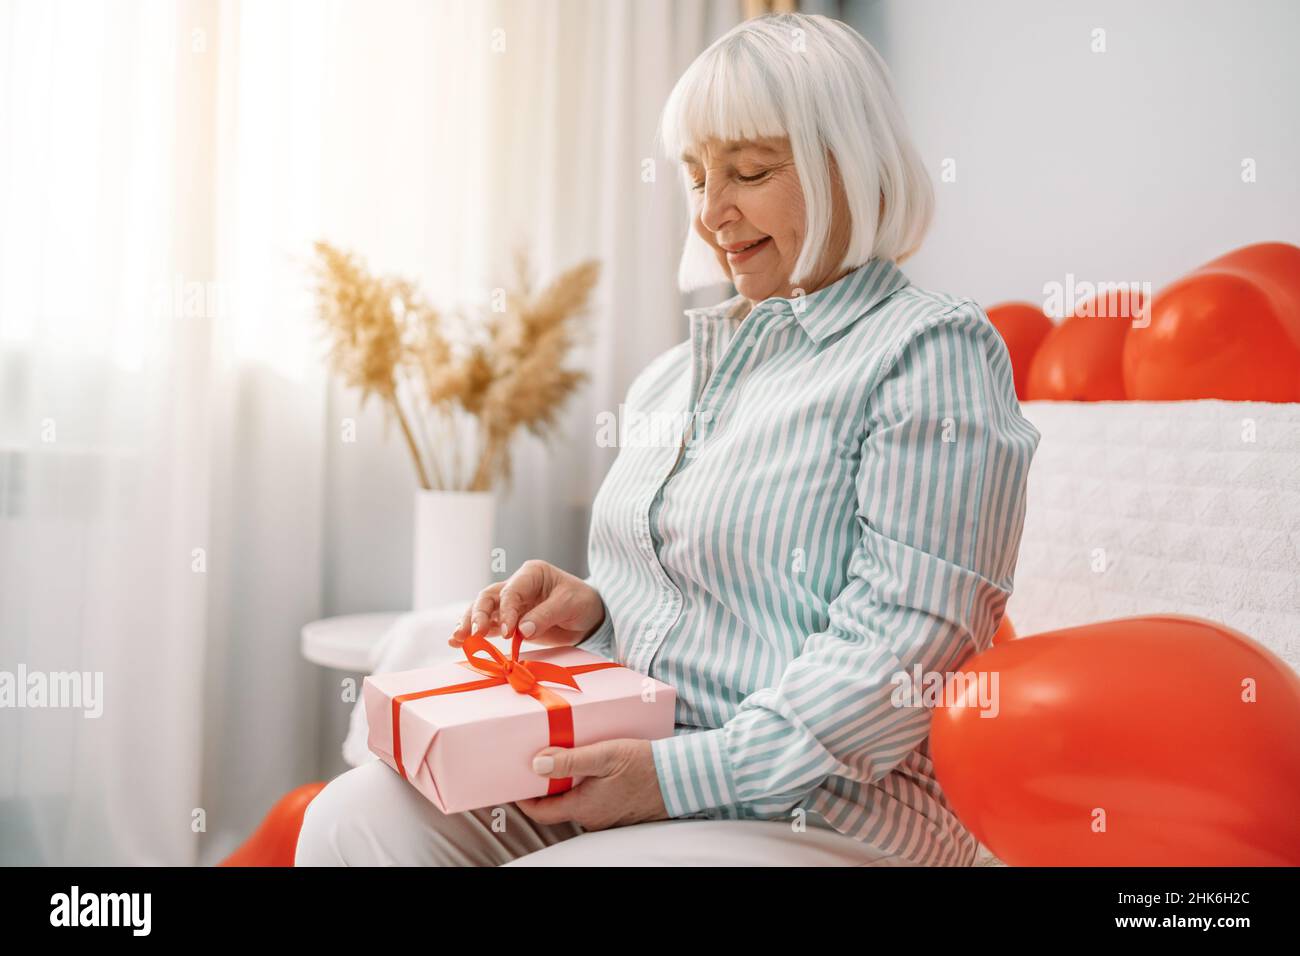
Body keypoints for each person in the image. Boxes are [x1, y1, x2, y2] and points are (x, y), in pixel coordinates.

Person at [296, 11, 1040, 867]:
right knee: (349, 819)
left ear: (850, 163)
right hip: (635, 767)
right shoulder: (674, 373)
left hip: (827, 811)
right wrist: (604, 603)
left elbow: (905, 644)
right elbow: (720, 602)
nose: (712, 213)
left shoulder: (928, 349)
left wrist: (674, 778)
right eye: (695, 178)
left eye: (750, 171)